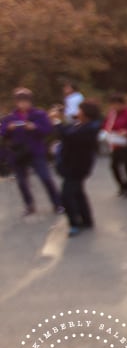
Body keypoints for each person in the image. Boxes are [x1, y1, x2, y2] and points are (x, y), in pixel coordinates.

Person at [0, 88, 63, 216]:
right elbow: (2, 132)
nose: (23, 104)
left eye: (26, 101)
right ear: (16, 102)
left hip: (35, 150)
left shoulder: (39, 114)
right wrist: (8, 128)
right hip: (18, 152)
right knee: (22, 181)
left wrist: (35, 127)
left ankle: (58, 204)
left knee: (45, 177)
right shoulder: (10, 117)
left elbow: (48, 130)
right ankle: (29, 205)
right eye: (20, 101)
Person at [52, 101, 102, 237]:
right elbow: (68, 130)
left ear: (86, 113)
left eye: (80, 110)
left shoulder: (90, 128)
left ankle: (74, 223)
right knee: (78, 193)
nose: (77, 113)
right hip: (73, 166)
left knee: (66, 196)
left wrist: (57, 122)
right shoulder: (83, 124)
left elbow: (70, 136)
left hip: (77, 167)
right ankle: (87, 220)